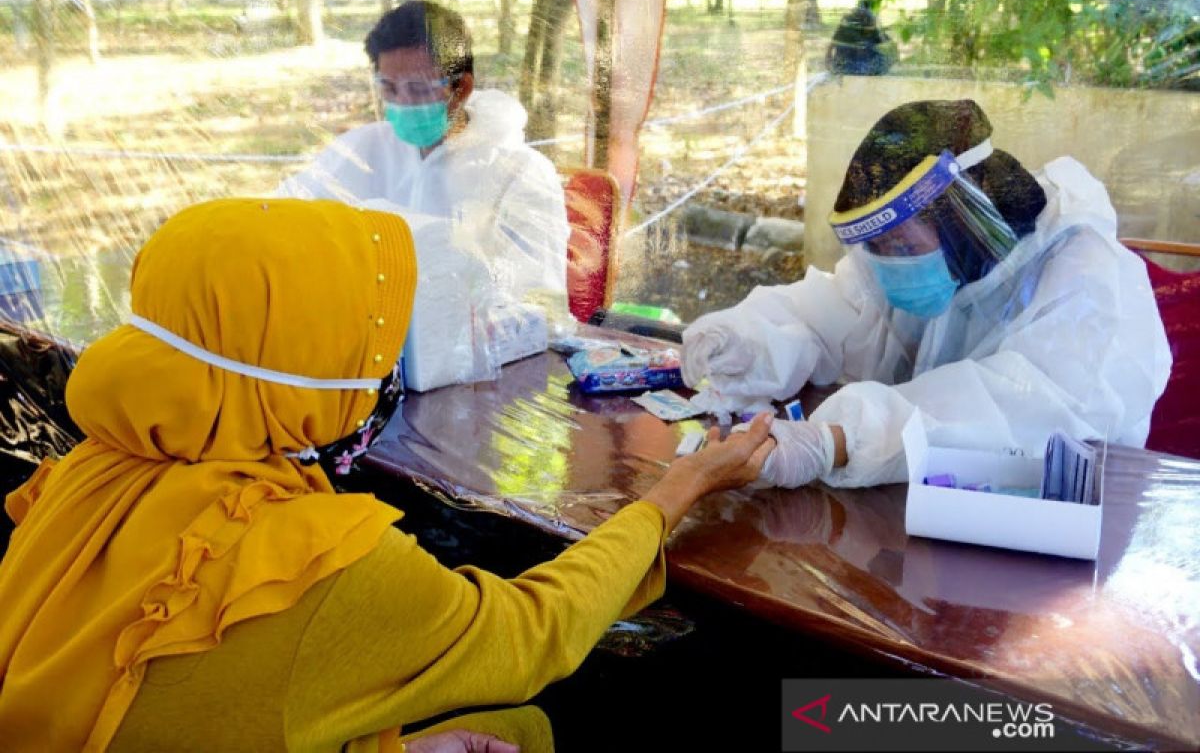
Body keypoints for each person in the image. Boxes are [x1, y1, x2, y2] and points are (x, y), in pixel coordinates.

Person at [0, 198, 774, 751]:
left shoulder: (89, 472)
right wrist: (681, 489)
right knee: (525, 729)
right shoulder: (310, 560)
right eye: (363, 348)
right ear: (294, 371)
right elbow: (533, 633)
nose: (379, 372)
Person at [682, 99, 1172, 489]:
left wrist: (838, 438)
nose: (890, 262)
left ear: (960, 222)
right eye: (876, 247)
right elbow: (832, 311)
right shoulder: (946, 265)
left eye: (899, 243)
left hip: (1058, 552)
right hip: (923, 526)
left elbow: (1019, 412)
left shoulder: (1087, 277)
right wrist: (743, 339)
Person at [277, 0, 570, 316]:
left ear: (461, 87)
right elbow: (282, 221)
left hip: (472, 352)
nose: (402, 103)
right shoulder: (362, 150)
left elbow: (539, 305)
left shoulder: (519, 174)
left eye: (418, 89)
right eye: (389, 88)